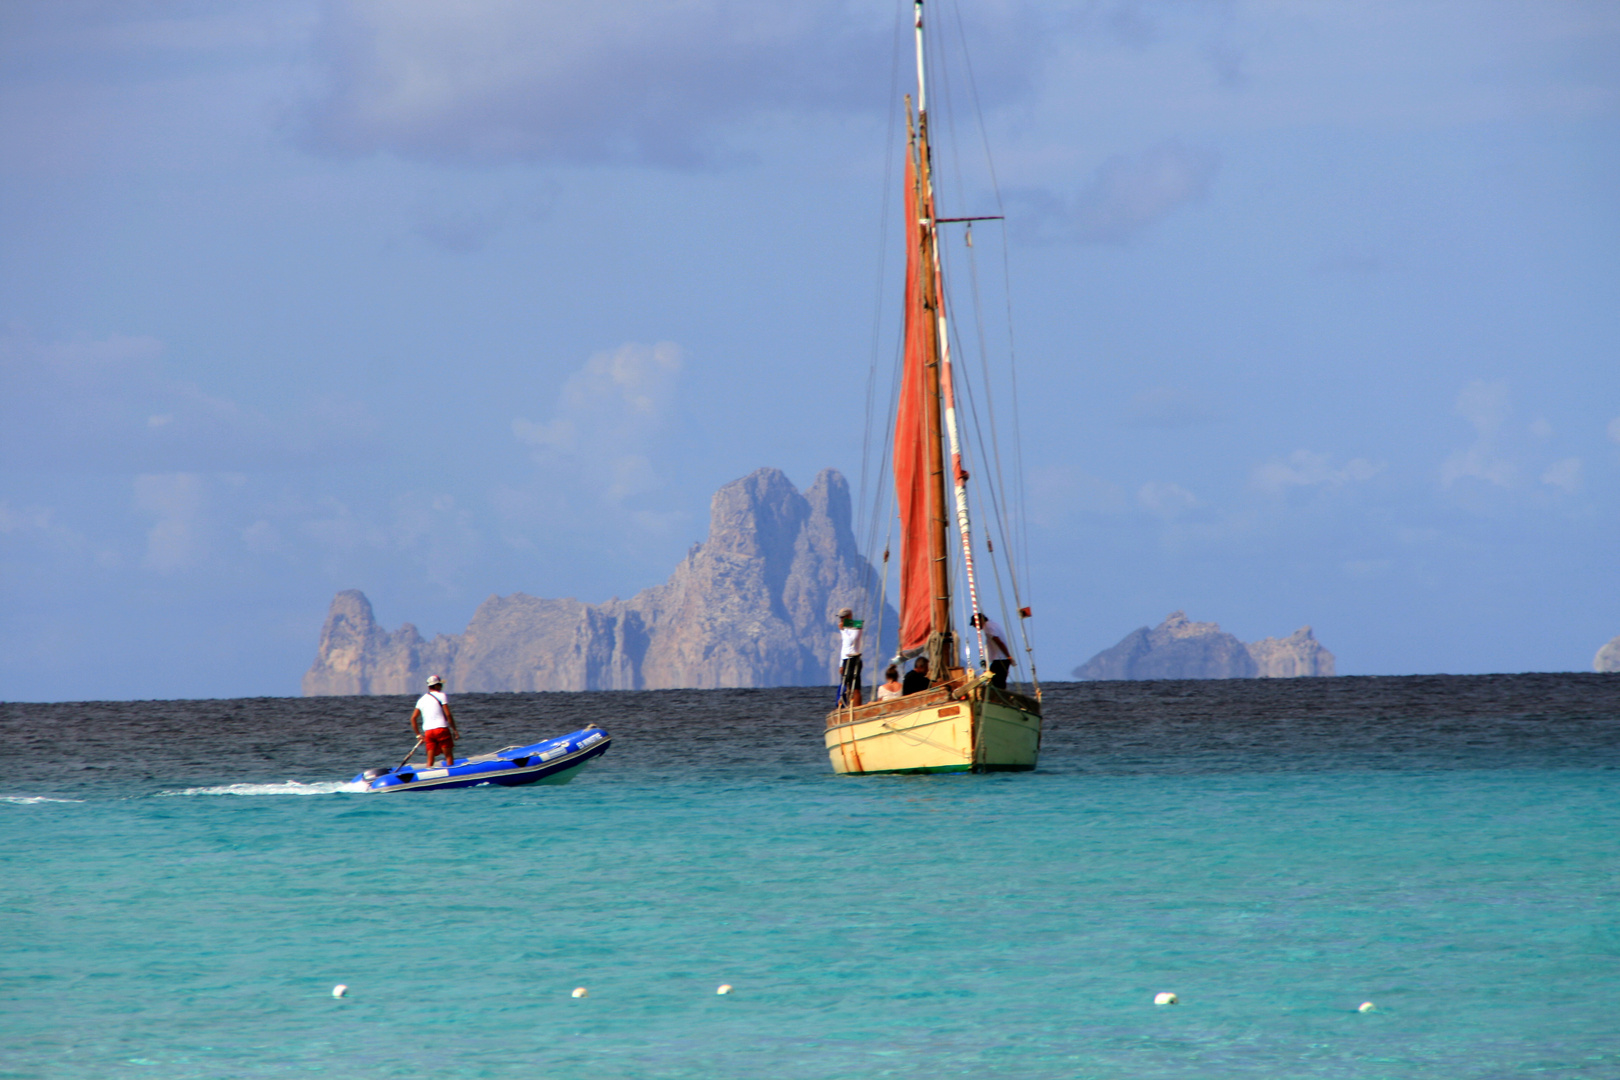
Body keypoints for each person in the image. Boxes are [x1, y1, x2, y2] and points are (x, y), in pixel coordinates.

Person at [410, 675, 459, 767]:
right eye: (440, 685)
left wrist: (418, 735)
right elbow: (448, 714)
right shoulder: (442, 696)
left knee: (430, 760)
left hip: (428, 732)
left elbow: (413, 718)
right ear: (436, 686)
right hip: (441, 729)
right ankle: (450, 775)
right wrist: (454, 730)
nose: (441, 687)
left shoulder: (421, 700)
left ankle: (427, 775)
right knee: (448, 756)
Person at [972, 612, 1014, 688]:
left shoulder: (988, 627)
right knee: (999, 683)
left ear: (980, 620)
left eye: (975, 624)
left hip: (999, 660)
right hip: (1001, 659)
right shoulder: (993, 624)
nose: (976, 627)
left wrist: (1009, 657)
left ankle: (997, 699)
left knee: (996, 684)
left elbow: (999, 642)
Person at [836, 607, 864, 706]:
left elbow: (851, 641)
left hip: (853, 658)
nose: (841, 620)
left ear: (849, 616)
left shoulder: (857, 625)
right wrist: (841, 664)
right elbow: (844, 647)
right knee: (846, 686)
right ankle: (848, 707)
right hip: (845, 659)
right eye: (840, 618)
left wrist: (842, 631)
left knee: (855, 686)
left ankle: (856, 708)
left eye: (843, 617)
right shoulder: (845, 628)